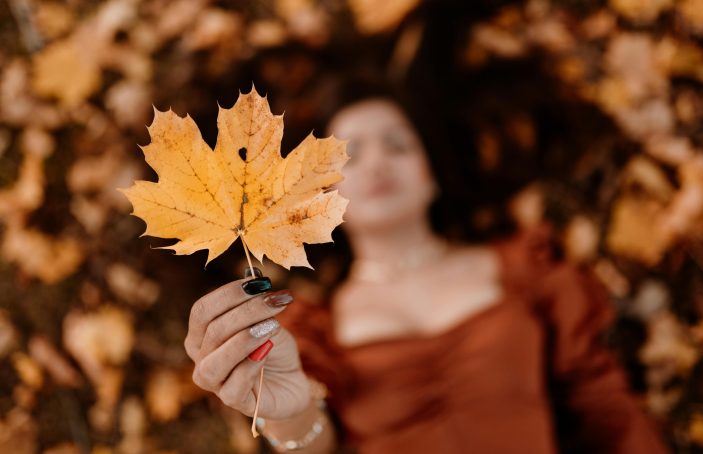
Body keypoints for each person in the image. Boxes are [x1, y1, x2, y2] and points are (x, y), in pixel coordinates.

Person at [183, 81, 671, 453]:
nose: (376, 164)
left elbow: (603, 406)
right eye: (351, 154)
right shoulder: (314, 331)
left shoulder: (525, 269)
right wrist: (288, 416)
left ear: (432, 176)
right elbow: (317, 444)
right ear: (319, 198)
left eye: (398, 145)